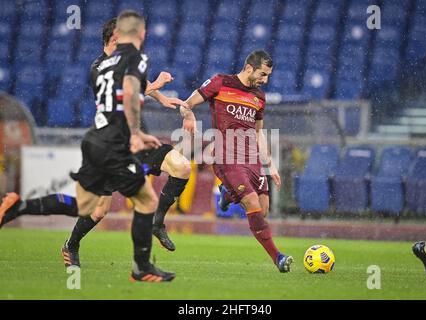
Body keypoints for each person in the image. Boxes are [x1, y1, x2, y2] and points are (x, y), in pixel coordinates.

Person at [0, 18, 190, 255]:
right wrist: (156, 85)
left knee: (181, 167)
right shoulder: (98, 68)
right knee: (97, 210)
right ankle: (68, 242)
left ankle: (157, 222)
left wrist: (162, 98)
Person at [180, 50, 293, 273]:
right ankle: (278, 257)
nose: (265, 80)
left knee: (262, 210)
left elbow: (258, 132)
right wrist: (189, 115)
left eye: (268, 76)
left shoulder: (259, 97)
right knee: (251, 203)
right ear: (249, 68)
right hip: (226, 157)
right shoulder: (220, 82)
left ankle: (227, 193)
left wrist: (269, 163)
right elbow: (187, 103)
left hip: (251, 159)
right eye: (263, 74)